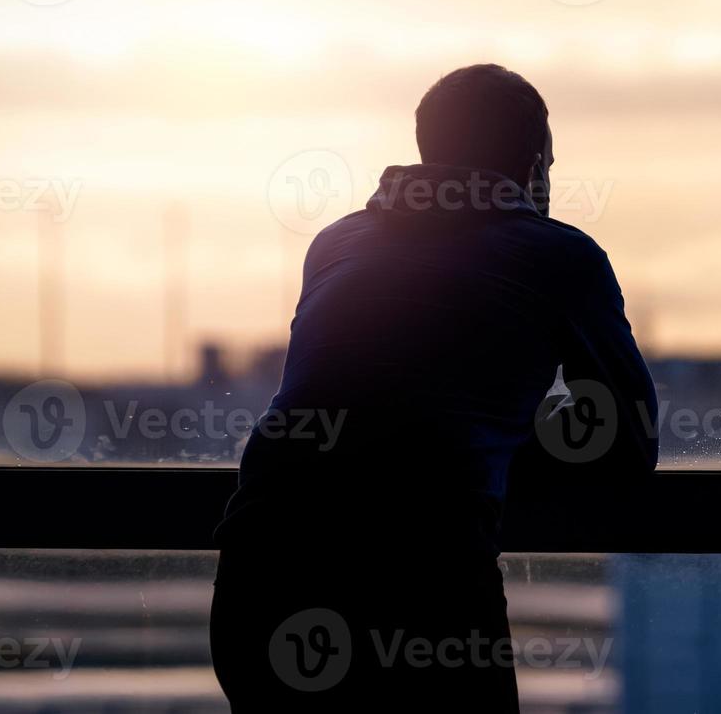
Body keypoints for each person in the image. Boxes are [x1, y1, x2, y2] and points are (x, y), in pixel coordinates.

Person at [210, 64, 659, 711]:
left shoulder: (336, 243)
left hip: (259, 574)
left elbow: (358, 402)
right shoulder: (561, 257)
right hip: (422, 583)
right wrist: (497, 449)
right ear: (536, 164)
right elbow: (627, 444)